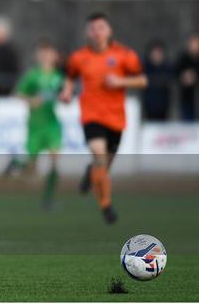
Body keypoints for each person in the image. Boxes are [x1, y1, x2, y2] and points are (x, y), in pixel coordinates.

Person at [59, 12, 147, 224]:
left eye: (101, 27)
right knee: (99, 156)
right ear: (87, 32)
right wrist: (67, 92)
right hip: (91, 115)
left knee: (103, 168)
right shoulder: (78, 57)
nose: (97, 32)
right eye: (93, 28)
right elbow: (70, 78)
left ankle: (92, 173)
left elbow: (142, 80)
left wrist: (119, 82)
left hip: (116, 118)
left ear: (109, 31)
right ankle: (106, 206)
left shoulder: (125, 55)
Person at [7, 39, 63, 210]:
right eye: (43, 53)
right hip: (35, 126)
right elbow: (17, 94)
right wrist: (31, 99)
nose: (47, 56)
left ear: (55, 56)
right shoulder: (33, 75)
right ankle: (16, 163)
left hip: (52, 124)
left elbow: (64, 94)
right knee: (31, 166)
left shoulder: (58, 76)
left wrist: (65, 96)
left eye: (50, 53)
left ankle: (48, 200)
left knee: (54, 161)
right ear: (38, 56)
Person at [174, 33, 199, 121]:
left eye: (198, 44)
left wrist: (195, 76)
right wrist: (184, 77)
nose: (195, 47)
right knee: (187, 120)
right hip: (186, 96)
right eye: (193, 44)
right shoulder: (183, 58)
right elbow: (176, 72)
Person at [142, 39, 172, 121]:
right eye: (154, 53)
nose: (156, 55)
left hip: (164, 105)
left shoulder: (167, 67)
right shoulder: (145, 67)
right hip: (148, 105)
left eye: (158, 53)